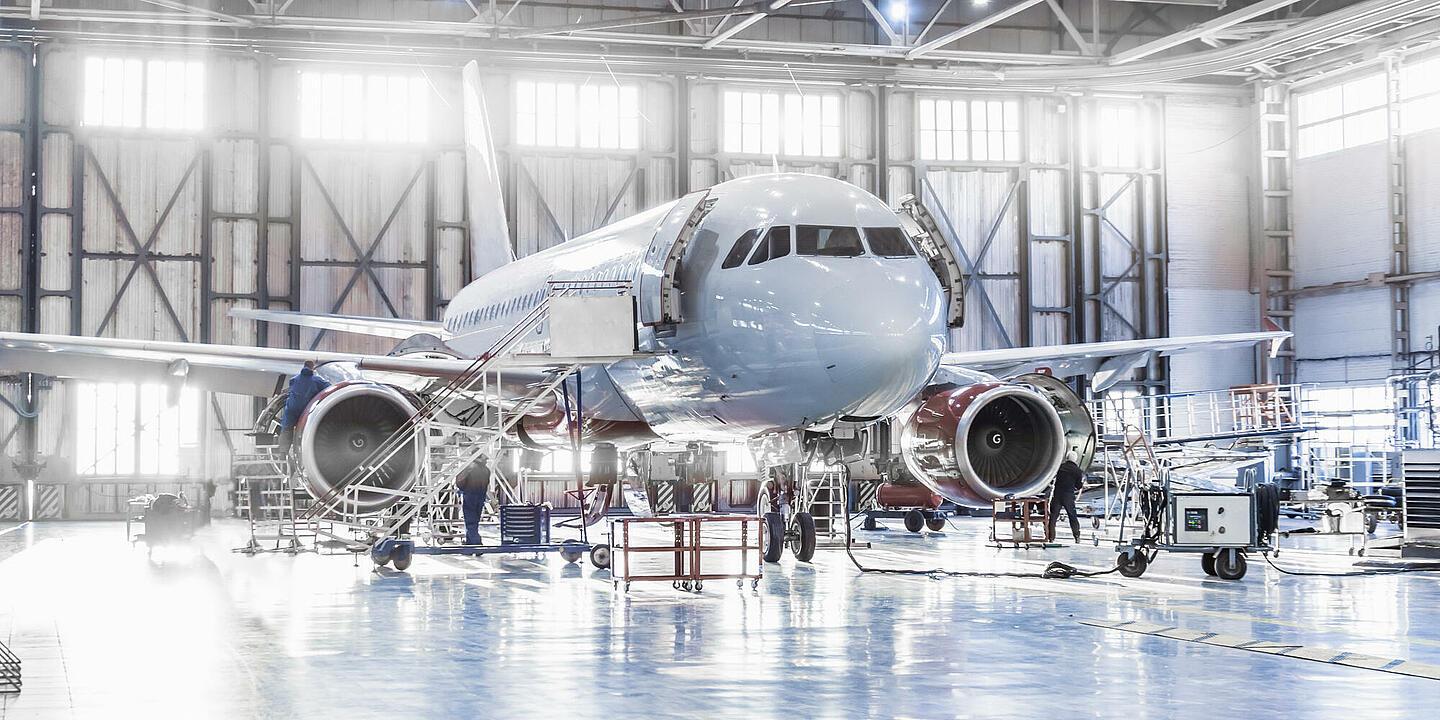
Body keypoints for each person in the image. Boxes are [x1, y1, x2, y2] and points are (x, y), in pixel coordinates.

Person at [277, 360, 330, 455]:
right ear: (312, 368)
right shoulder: (317, 380)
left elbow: (292, 389)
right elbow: (329, 388)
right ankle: (305, 453)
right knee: (308, 431)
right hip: (306, 410)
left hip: (292, 409)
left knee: (286, 429)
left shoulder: (293, 379)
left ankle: (282, 453)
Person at [1047, 449, 1086, 543]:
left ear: (1066, 458)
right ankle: (1077, 536)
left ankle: (1051, 537)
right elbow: (1078, 486)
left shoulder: (1060, 467)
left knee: (1053, 517)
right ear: (1075, 459)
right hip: (1068, 496)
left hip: (1057, 495)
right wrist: (1082, 483)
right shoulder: (1077, 471)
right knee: (1072, 516)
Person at [456, 454, 491, 546]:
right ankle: (469, 545)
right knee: (475, 521)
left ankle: (477, 544)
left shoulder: (469, 467)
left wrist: (463, 489)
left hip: (470, 496)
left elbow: (460, 482)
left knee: (470, 522)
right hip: (481, 497)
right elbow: (487, 484)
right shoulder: (487, 470)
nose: (486, 461)